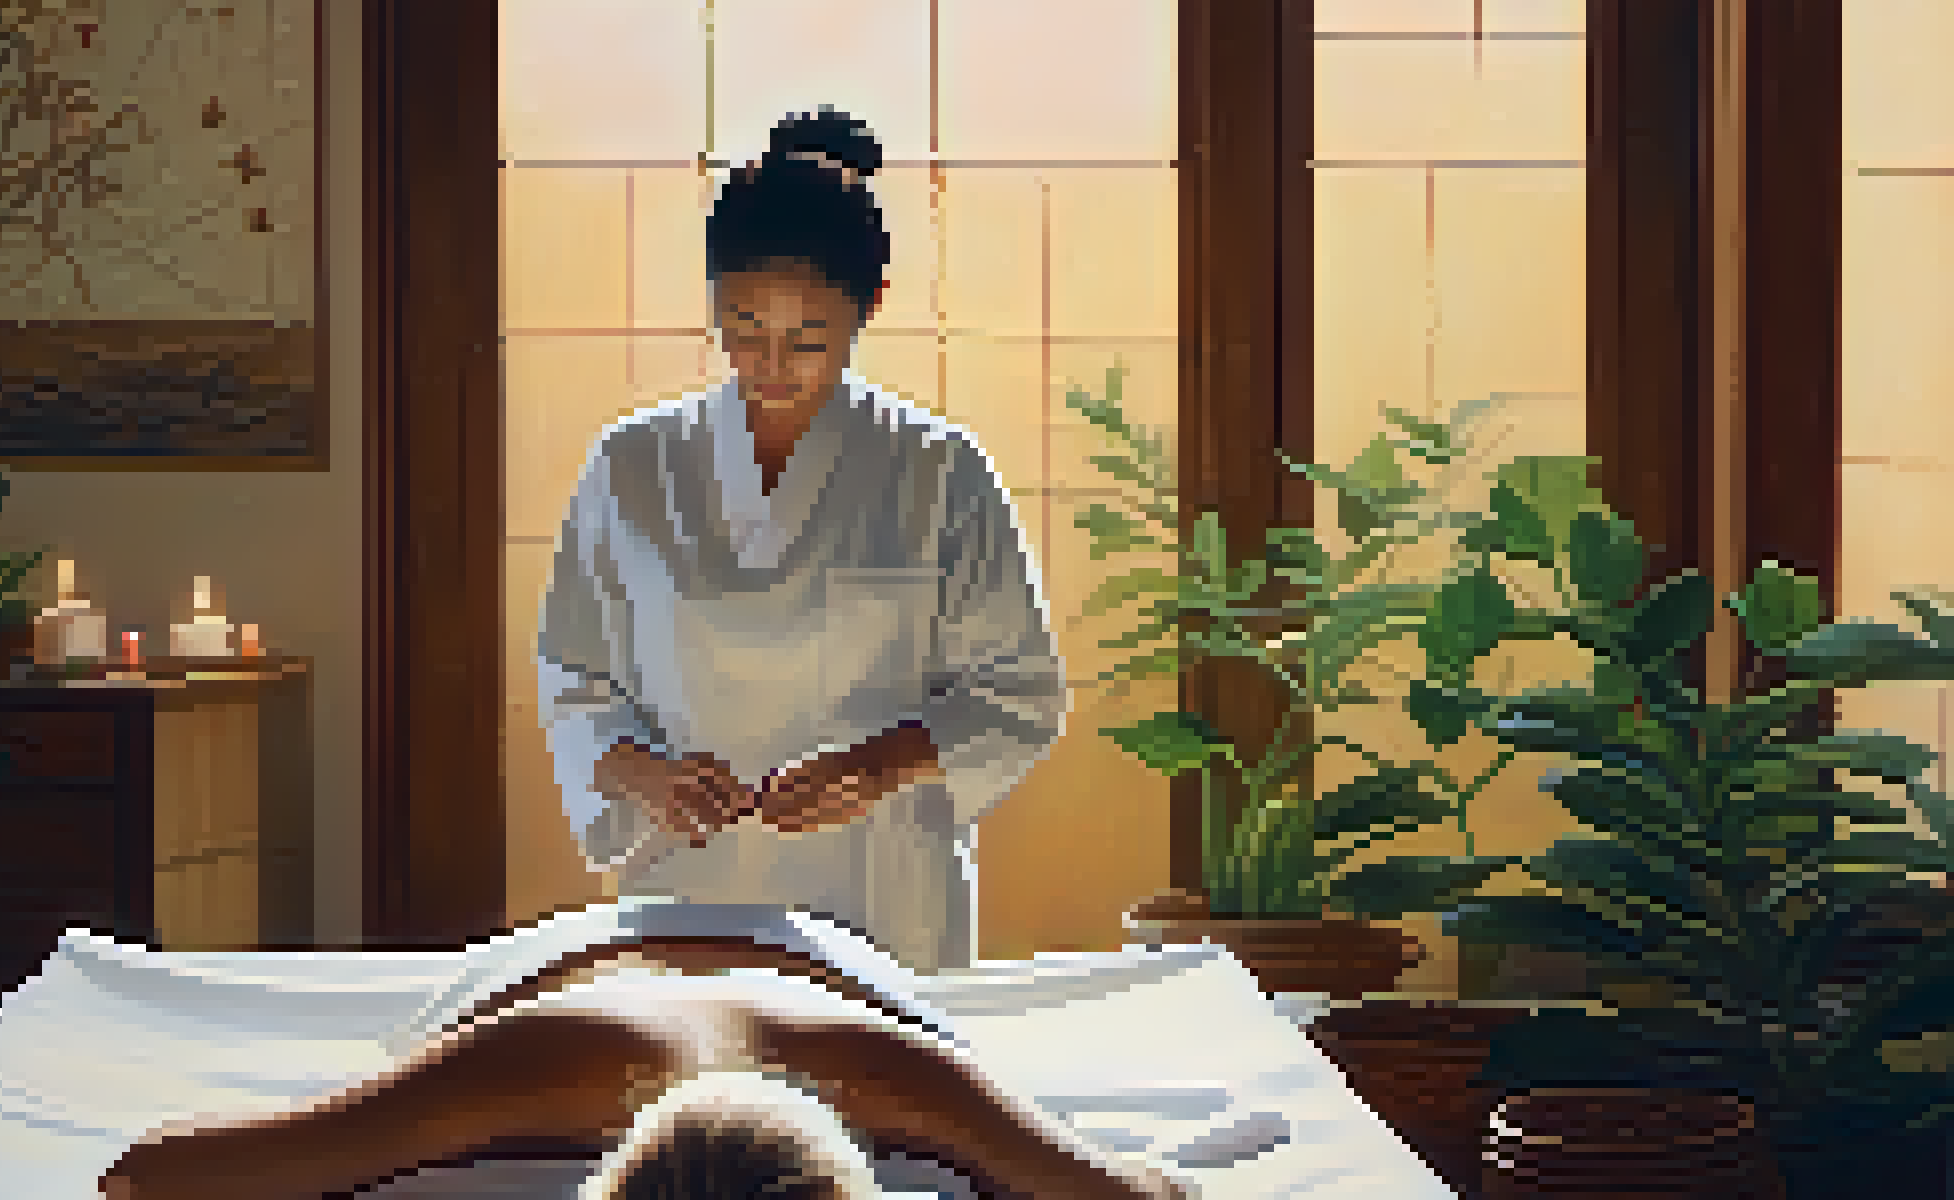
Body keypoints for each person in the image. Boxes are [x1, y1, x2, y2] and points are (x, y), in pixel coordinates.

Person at [536, 106, 1065, 974]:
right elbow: (574, 676)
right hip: (687, 886)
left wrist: (882, 766)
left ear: (871, 308)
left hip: (882, 898)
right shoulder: (633, 464)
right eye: (743, 328)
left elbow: (1020, 693)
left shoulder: (938, 470)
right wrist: (637, 770)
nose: (771, 363)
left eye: (807, 340)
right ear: (712, 298)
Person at [95, 940, 1187, 1199]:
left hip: (826, 959)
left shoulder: (894, 1069)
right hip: (570, 961)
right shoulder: (532, 1065)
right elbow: (147, 1173)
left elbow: (151, 1173)